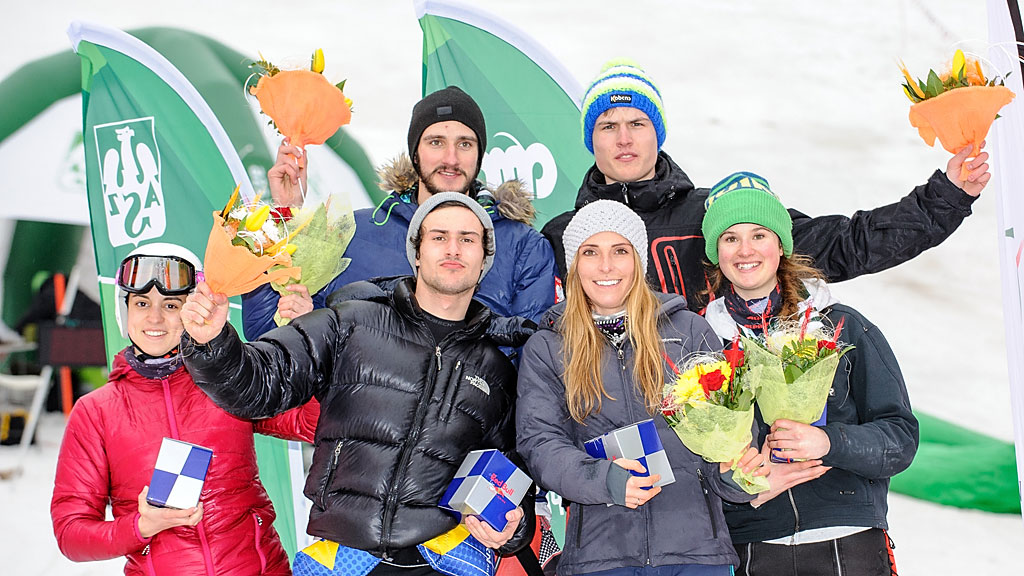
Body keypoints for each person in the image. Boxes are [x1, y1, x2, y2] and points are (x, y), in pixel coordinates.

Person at [180, 194, 534, 576]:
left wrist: (515, 528)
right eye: (438, 237)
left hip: (443, 564)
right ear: (416, 253)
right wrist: (212, 342)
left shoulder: (497, 371)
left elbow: (513, 478)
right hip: (347, 561)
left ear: (484, 261)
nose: (453, 248)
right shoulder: (349, 323)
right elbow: (262, 384)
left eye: (467, 239)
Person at [542, 59, 992, 312]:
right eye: (607, 126)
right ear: (590, 140)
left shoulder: (718, 213)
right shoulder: (562, 236)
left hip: (716, 424)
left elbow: (845, 245)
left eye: (637, 123)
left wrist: (946, 196)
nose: (623, 138)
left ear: (657, 133)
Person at [516, 200, 769, 575]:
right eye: (591, 252)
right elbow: (540, 444)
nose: (606, 266)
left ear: (638, 261)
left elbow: (730, 431)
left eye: (620, 251)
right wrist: (605, 480)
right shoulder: (549, 346)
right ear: (573, 266)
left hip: (696, 555)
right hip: (601, 559)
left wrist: (738, 472)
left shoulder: (689, 331)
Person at [50, 243, 320, 575]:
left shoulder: (230, 375)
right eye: (142, 303)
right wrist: (140, 527)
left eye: (172, 304)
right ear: (124, 311)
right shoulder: (96, 412)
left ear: (194, 310)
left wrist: (310, 341)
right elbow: (71, 534)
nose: (155, 317)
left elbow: (313, 423)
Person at [700, 172, 918, 575]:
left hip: (849, 540)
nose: (745, 250)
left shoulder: (842, 327)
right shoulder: (699, 344)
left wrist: (827, 441)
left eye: (759, 235)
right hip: (754, 546)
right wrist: (741, 485)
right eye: (730, 238)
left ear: (781, 245)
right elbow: (688, 464)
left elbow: (900, 439)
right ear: (716, 252)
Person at [242, 85, 556, 342]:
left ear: (479, 154)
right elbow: (270, 341)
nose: (450, 158)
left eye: (465, 144)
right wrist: (285, 216)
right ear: (414, 152)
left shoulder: (523, 247)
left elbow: (531, 364)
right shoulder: (353, 232)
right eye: (436, 142)